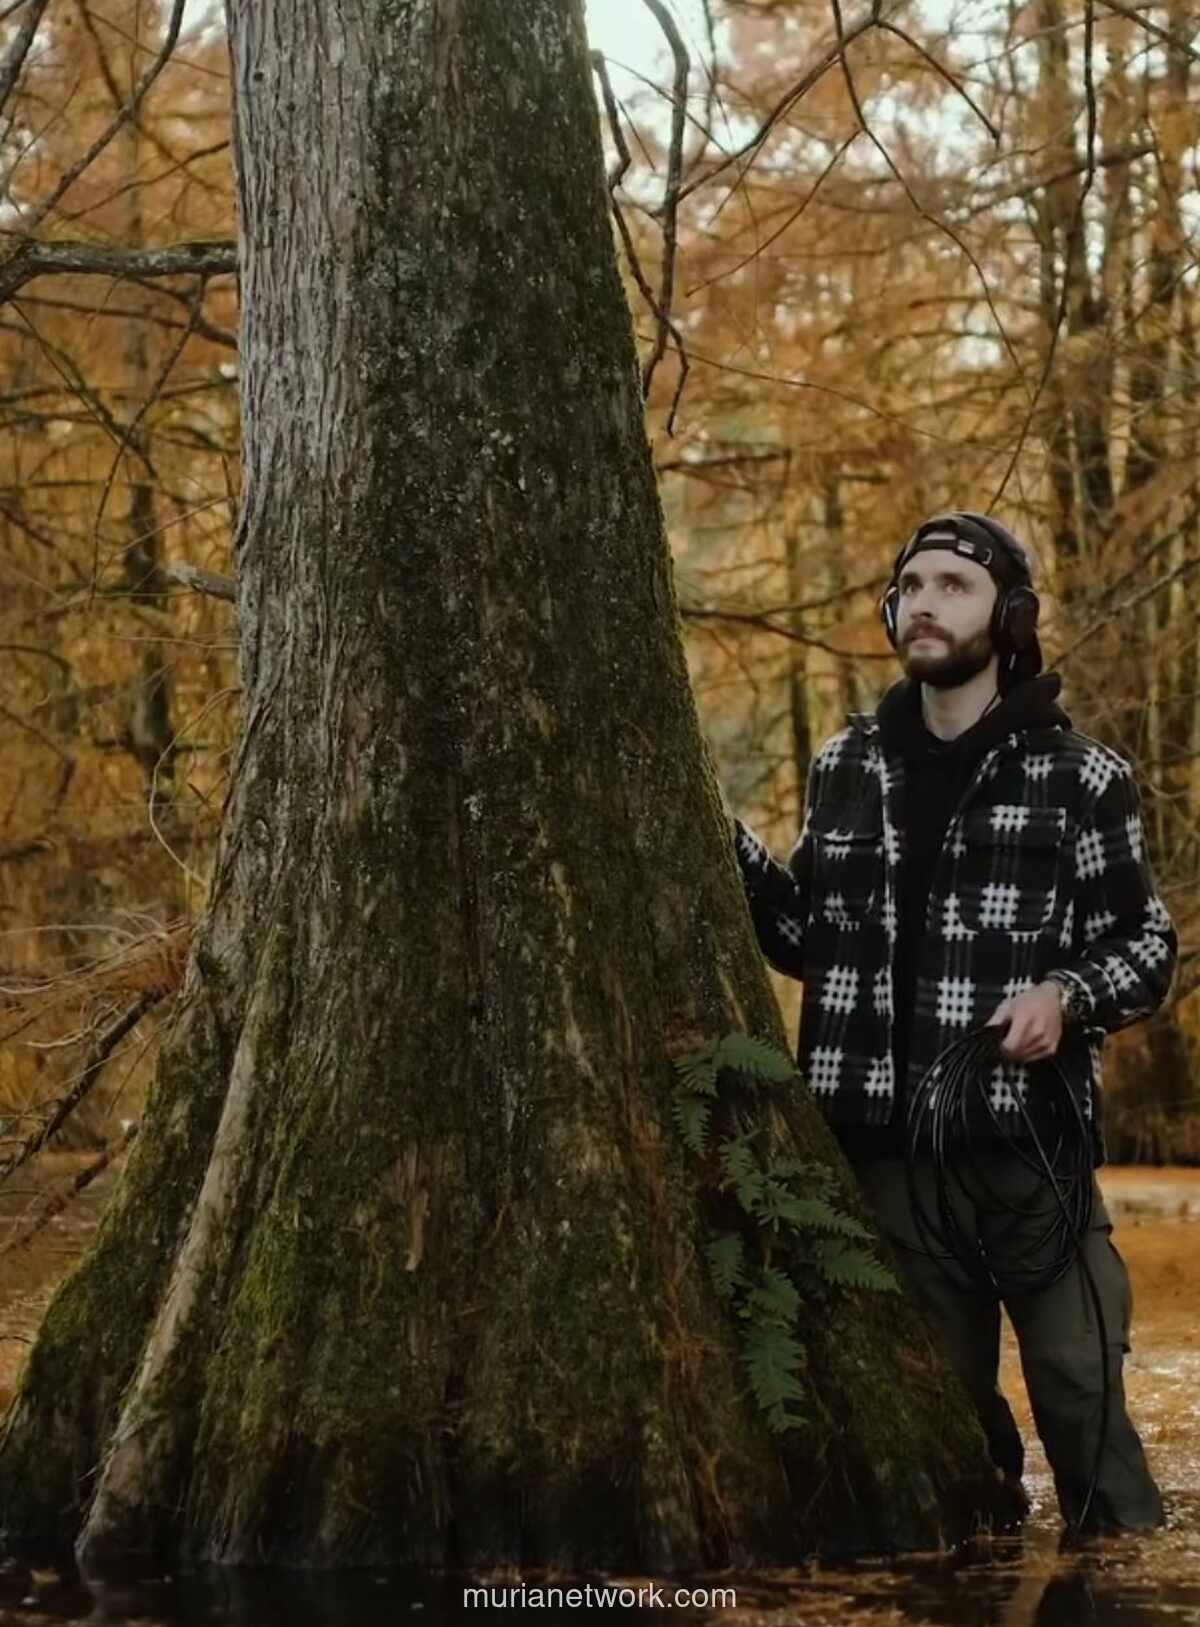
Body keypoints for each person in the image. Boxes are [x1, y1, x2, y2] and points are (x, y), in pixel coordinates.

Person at [732, 510, 1175, 1536]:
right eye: (912, 585)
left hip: (1033, 1160)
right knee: (945, 1436)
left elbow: (1146, 949)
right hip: (888, 1168)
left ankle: (1112, 1592)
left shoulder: (1082, 779)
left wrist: (1066, 996)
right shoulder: (847, 765)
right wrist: (714, 835)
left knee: (1083, 1400)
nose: (925, 602)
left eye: (954, 585)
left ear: (1011, 619)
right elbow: (806, 933)